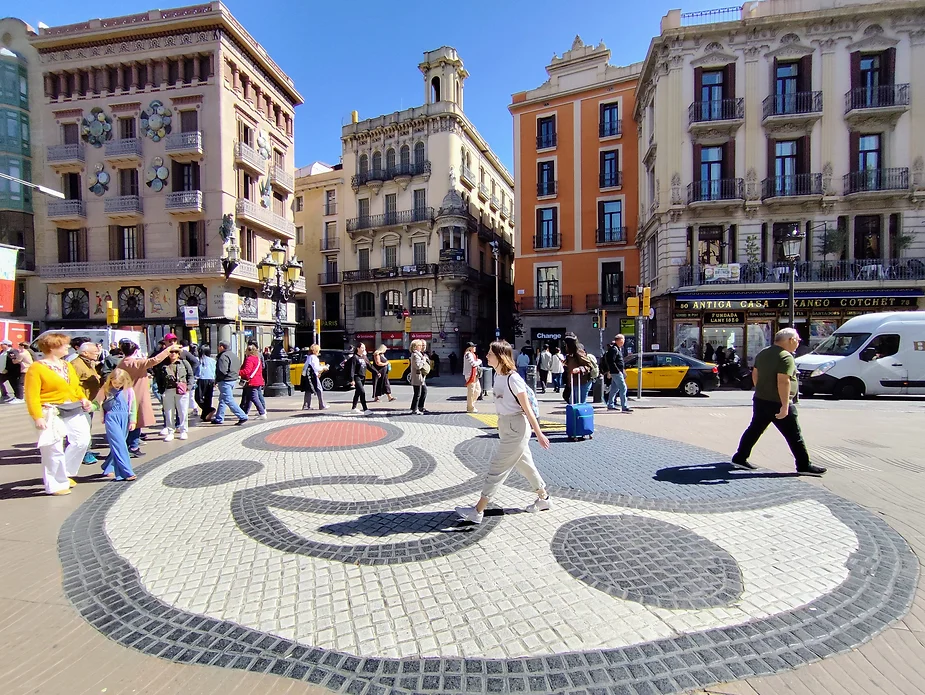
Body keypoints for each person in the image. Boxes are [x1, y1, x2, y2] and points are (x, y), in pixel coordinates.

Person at [454, 340, 551, 524]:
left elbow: (527, 408)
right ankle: (543, 498)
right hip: (505, 426)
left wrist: (539, 433)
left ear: (500, 356)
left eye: (490, 353)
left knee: (497, 469)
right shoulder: (498, 376)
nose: (487, 355)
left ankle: (478, 510)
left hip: (517, 427)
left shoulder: (512, 378)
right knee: (525, 465)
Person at [731, 328, 826, 476]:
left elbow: (755, 374)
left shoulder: (764, 353)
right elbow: (783, 381)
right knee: (794, 435)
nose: (798, 342)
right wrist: (785, 405)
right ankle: (803, 465)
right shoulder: (785, 357)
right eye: (797, 339)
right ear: (790, 340)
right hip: (778, 402)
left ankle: (740, 457)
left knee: (754, 430)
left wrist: (761, 389)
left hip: (761, 399)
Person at [24, 332, 93, 496]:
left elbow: (75, 387)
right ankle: (55, 484)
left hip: (72, 407)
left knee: (82, 439)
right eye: (64, 345)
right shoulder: (36, 368)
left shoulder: (66, 365)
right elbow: (31, 395)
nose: (68, 347)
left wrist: (83, 398)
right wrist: (37, 416)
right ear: (53, 347)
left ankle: (66, 472)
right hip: (49, 410)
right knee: (53, 448)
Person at [116, 340, 172, 456]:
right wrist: (168, 350)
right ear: (135, 351)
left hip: (125, 394)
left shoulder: (121, 363)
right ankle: (133, 446)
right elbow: (154, 360)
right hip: (137, 395)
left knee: (130, 421)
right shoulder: (136, 363)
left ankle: (129, 444)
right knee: (136, 421)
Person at [96, 368, 137, 481]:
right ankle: (127, 472)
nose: (117, 385)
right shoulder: (106, 389)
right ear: (110, 380)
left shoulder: (129, 391)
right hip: (111, 418)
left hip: (124, 418)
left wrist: (133, 420)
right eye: (115, 383)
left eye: (120, 383)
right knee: (120, 444)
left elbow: (133, 406)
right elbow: (98, 402)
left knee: (119, 443)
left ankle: (108, 467)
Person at [72, 342, 104, 464]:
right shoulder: (76, 365)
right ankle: (84, 453)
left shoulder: (88, 363)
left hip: (89, 401)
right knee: (82, 429)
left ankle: (86, 450)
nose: (97, 354)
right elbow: (72, 385)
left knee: (88, 426)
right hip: (81, 402)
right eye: (95, 352)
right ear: (85, 352)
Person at [155, 347, 192, 441]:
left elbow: (190, 375)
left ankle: (183, 430)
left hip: (181, 389)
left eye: (176, 352)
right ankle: (170, 431)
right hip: (168, 390)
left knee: (183, 411)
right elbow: (159, 378)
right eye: (171, 352)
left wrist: (189, 387)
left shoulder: (183, 363)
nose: (173, 354)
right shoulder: (163, 365)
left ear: (178, 354)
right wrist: (161, 390)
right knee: (169, 412)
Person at [164, 333, 200, 419]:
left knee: (181, 408)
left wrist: (189, 377)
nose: (172, 342)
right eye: (170, 341)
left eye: (174, 340)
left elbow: (195, 362)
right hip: (167, 386)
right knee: (167, 409)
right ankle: (168, 426)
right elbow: (152, 363)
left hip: (181, 385)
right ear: (165, 342)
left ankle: (179, 425)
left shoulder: (183, 353)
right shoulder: (162, 353)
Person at [213, 341, 248, 425]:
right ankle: (219, 417)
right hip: (232, 379)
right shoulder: (233, 355)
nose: (218, 348)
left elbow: (222, 370)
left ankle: (242, 416)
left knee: (228, 400)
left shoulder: (223, 356)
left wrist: (217, 379)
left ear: (222, 347)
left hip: (225, 380)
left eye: (219, 346)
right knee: (223, 399)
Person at [563, 333, 596, 404]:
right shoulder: (570, 353)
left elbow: (589, 365)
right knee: (573, 402)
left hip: (583, 381)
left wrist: (579, 369)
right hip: (574, 381)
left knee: (579, 403)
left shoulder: (578, 351)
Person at [604, 334, 632, 413]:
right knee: (623, 388)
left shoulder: (617, 349)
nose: (624, 342)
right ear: (619, 340)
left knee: (614, 389)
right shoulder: (614, 349)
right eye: (623, 340)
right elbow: (611, 361)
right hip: (616, 372)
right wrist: (618, 370)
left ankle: (610, 404)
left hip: (616, 372)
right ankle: (624, 406)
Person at [239, 344, 267, 419]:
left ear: (249, 351)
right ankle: (245, 413)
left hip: (252, 381)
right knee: (249, 397)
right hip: (258, 380)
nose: (245, 352)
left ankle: (262, 413)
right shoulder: (257, 359)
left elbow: (247, 370)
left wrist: (238, 372)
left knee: (254, 397)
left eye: (246, 350)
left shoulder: (249, 359)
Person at [301, 344, 329, 410]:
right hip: (313, 376)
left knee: (308, 390)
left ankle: (306, 405)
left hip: (308, 375)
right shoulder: (314, 357)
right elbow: (316, 368)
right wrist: (324, 367)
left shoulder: (309, 357)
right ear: (316, 350)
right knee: (319, 389)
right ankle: (321, 405)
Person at [346, 344, 371, 414]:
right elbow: (352, 369)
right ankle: (365, 409)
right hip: (357, 377)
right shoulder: (355, 357)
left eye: (364, 348)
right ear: (358, 348)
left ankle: (353, 408)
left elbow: (369, 366)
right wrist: (352, 379)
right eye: (362, 348)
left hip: (363, 377)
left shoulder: (364, 357)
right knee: (362, 392)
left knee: (358, 392)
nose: (364, 349)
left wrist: (376, 372)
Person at [409, 339, 431, 415]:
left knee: (422, 391)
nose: (422, 347)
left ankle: (416, 407)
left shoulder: (418, 354)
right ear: (416, 346)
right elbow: (418, 366)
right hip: (417, 376)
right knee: (418, 393)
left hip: (420, 376)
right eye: (420, 345)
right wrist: (423, 360)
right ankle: (415, 409)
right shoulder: (415, 355)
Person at [196, 345, 217, 421]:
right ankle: (205, 415)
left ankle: (209, 409)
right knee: (208, 397)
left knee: (198, 398)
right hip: (211, 379)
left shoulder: (200, 360)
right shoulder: (213, 360)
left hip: (202, 379)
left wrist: (196, 377)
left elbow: (198, 371)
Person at [3, 339, 26, 404]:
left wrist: (7, 369)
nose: (1, 345)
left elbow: (14, 362)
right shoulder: (3, 351)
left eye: (2, 344)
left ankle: (19, 398)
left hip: (13, 371)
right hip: (6, 371)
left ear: (7, 345)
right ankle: (16, 396)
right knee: (12, 384)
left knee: (17, 384)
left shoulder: (12, 351)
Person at [463, 342, 482, 413]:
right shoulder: (468, 354)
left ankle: (471, 405)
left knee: (478, 391)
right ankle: (470, 407)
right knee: (471, 392)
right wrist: (479, 361)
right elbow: (473, 364)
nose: (475, 348)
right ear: (470, 348)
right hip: (470, 375)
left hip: (474, 375)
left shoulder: (472, 354)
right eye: (473, 346)